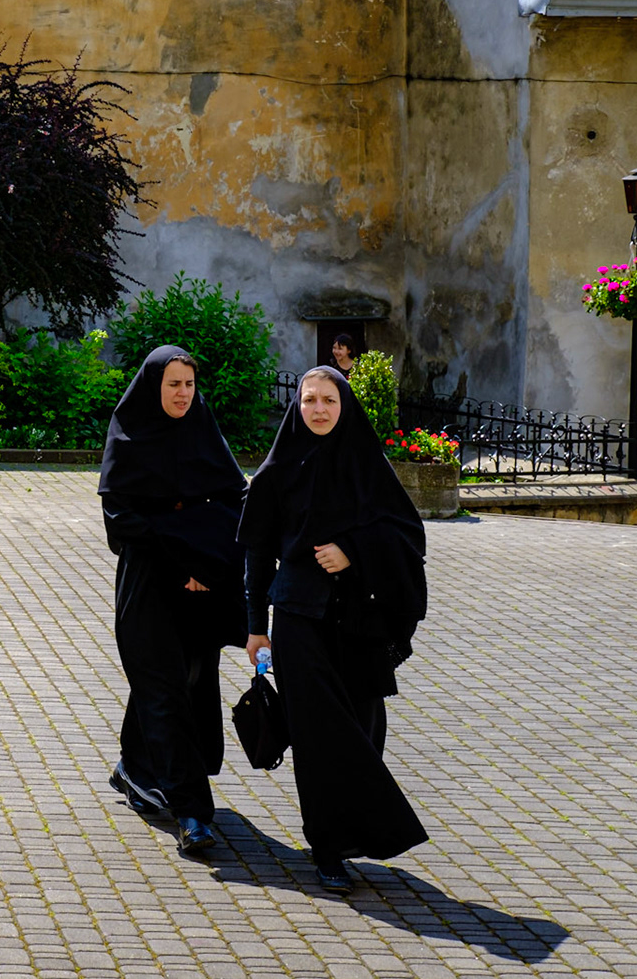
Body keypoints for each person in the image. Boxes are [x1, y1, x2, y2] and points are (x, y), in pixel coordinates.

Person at [239, 366, 429, 894]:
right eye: (308, 400)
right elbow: (256, 551)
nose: (318, 409)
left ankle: (353, 835)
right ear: (297, 406)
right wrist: (256, 628)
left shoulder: (368, 465)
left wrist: (354, 551)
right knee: (321, 737)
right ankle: (327, 847)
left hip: (359, 622)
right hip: (298, 618)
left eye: (328, 400)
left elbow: (407, 536)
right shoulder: (278, 471)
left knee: (364, 728)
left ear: (343, 405)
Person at [99, 346, 249, 857]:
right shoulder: (129, 433)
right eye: (173, 384)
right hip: (149, 585)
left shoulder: (201, 428)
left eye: (189, 384)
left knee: (186, 680)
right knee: (163, 689)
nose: (182, 393)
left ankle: (133, 769)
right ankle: (192, 814)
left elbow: (235, 497)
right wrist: (187, 549)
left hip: (199, 585)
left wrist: (205, 565)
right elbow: (120, 524)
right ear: (153, 387)